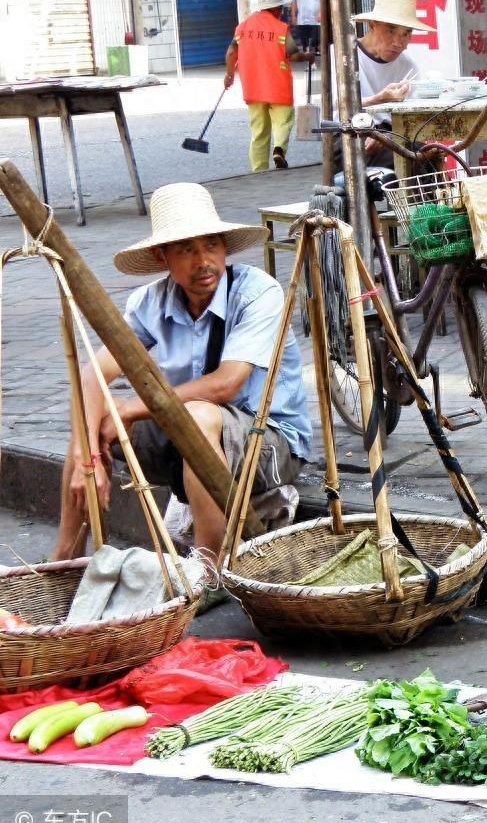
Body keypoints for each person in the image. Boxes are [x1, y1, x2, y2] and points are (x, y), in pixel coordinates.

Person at [53, 183, 313, 571]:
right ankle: (64, 558)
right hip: (188, 439)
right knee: (93, 421)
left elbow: (226, 384)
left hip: (270, 444)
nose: (202, 260)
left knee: (193, 415)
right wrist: (85, 455)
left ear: (224, 248)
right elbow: (92, 374)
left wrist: (132, 409)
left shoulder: (258, 293)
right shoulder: (150, 301)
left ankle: (209, 568)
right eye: (186, 249)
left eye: (211, 245)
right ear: (163, 257)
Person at [224, 0, 313, 171]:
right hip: (278, 86)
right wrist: (307, 56)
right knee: (283, 121)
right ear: (275, 8)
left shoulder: (243, 26)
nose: (281, 11)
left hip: (253, 87)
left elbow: (232, 51)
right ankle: (278, 149)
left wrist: (229, 74)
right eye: (280, 7)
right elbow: (294, 55)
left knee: (258, 131)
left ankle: (259, 170)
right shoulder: (280, 28)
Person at [344, 0, 427, 169]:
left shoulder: (408, 66)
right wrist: (379, 99)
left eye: (406, 34)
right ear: (372, 25)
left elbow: (414, 119)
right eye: (391, 31)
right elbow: (338, 107)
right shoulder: (344, 57)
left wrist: (388, 136)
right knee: (410, 160)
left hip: (392, 136)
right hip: (350, 135)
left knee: (426, 155)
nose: (399, 42)